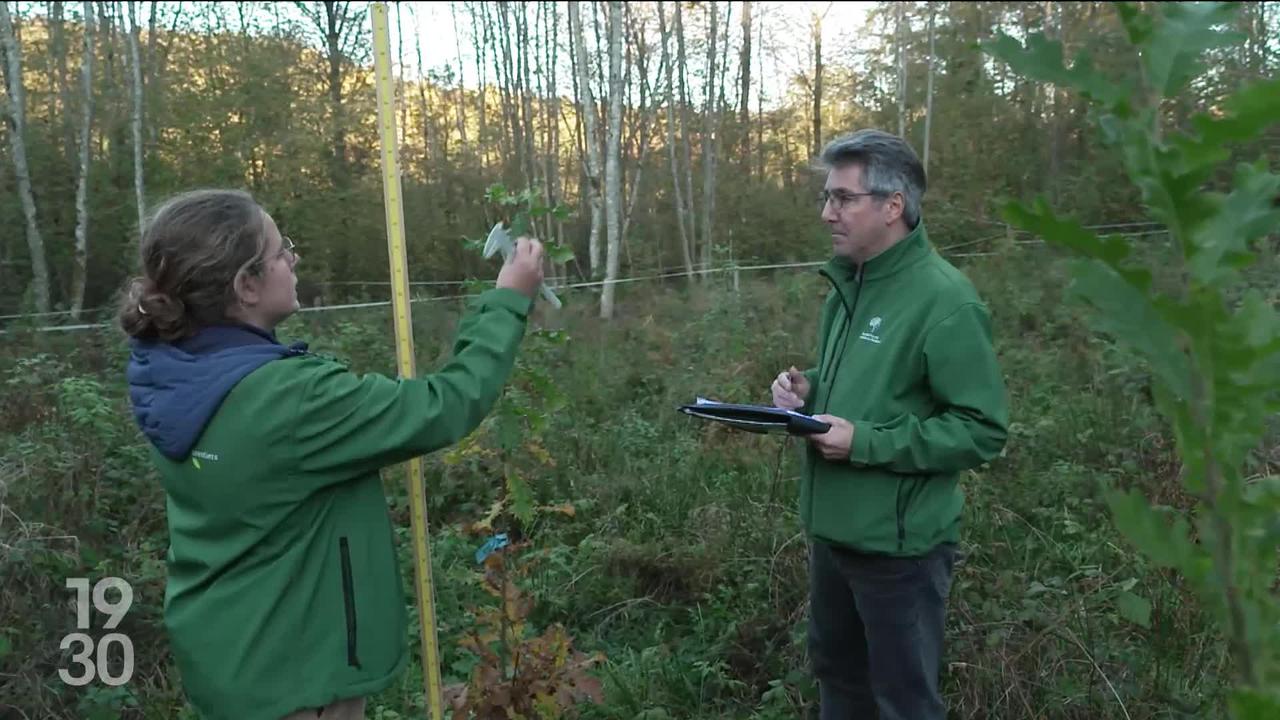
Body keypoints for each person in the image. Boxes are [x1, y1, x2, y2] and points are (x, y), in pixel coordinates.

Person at [118, 189, 545, 720]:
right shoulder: (291, 399)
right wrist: (509, 298)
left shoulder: (171, 371)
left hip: (230, 656)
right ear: (245, 285)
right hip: (299, 678)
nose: (293, 258)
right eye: (280, 251)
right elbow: (444, 405)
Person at [770, 130, 1009, 720]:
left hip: (901, 551)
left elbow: (981, 429)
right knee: (839, 684)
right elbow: (875, 381)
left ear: (893, 205)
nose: (828, 213)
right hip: (833, 533)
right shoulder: (848, 286)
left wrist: (865, 442)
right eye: (828, 198)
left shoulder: (945, 300)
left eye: (844, 198)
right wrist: (810, 388)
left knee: (903, 702)